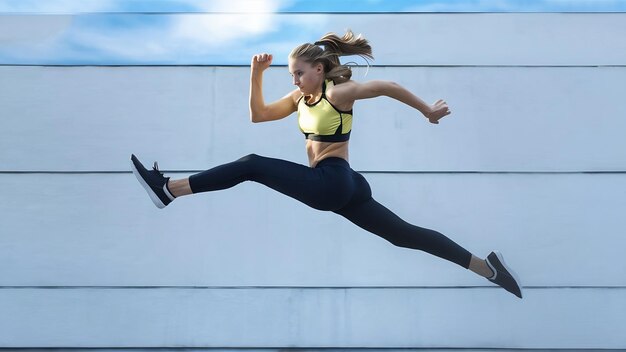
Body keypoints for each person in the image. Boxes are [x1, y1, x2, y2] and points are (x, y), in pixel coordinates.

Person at [131, 30, 522, 298]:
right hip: (346, 185)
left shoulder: (340, 94)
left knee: (251, 164)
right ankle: (486, 269)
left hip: (333, 182)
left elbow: (388, 87)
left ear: (319, 69)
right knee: (403, 235)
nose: (296, 80)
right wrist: (256, 75)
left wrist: (427, 111)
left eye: (299, 73)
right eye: (292, 75)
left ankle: (169, 189)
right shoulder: (300, 99)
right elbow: (259, 116)